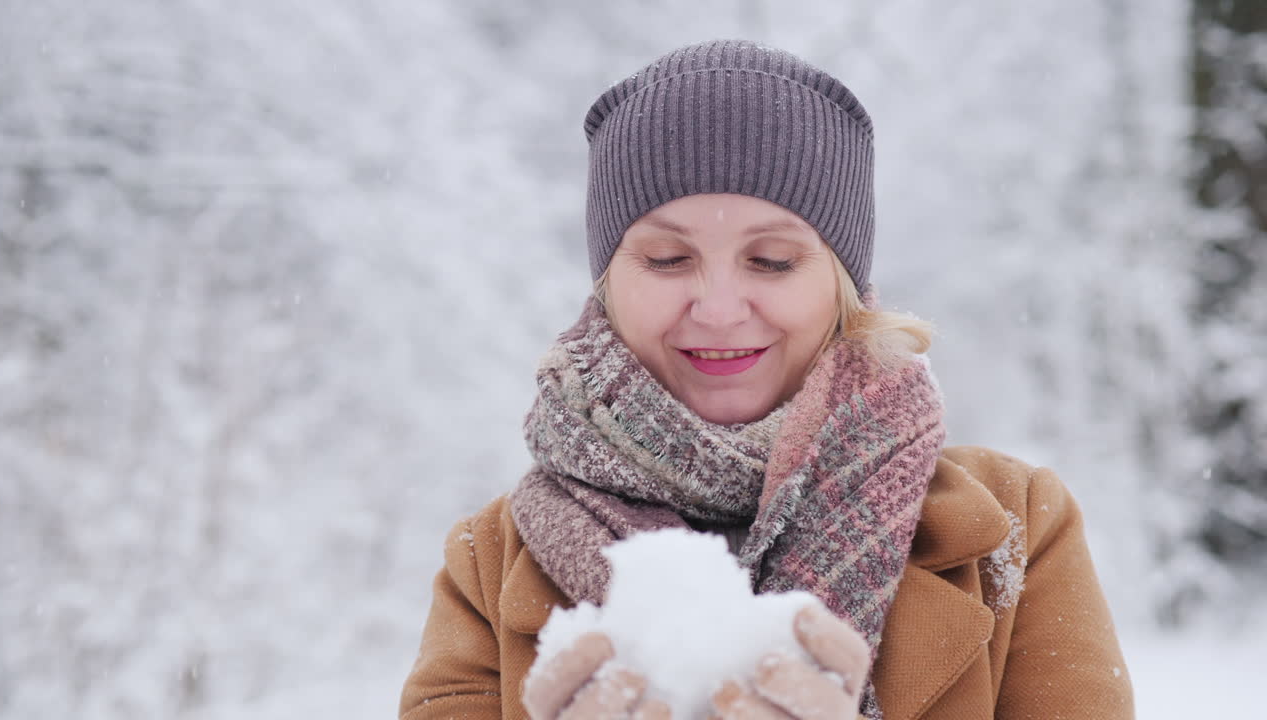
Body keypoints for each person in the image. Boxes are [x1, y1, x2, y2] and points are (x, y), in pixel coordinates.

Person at [399, 39, 1134, 720]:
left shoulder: (1016, 528)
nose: (719, 310)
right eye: (666, 259)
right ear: (607, 285)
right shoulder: (488, 564)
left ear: (842, 286)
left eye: (772, 261)